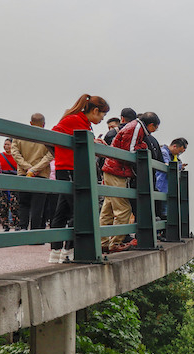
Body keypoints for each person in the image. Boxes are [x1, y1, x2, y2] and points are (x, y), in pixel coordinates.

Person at [49, 94, 110, 263]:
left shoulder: (83, 122)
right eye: (102, 115)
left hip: (72, 168)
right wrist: (61, 155)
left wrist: (93, 142)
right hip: (69, 168)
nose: (102, 118)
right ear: (96, 110)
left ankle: (56, 252)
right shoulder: (73, 119)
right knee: (79, 210)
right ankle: (68, 250)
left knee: (62, 211)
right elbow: (52, 136)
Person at [99, 111, 160, 253]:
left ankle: (103, 242)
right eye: (155, 128)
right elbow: (131, 151)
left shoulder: (134, 127)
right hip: (116, 171)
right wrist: (144, 147)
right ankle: (115, 243)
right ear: (151, 125)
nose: (154, 132)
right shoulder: (136, 127)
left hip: (111, 169)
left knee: (107, 209)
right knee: (123, 210)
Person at [11, 113, 53, 230]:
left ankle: (23, 229)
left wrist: (27, 167)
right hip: (41, 174)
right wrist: (36, 168)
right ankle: (35, 233)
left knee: (24, 204)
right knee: (38, 206)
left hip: (23, 173)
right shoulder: (48, 136)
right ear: (43, 124)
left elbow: (15, 153)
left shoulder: (19, 135)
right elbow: (50, 155)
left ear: (30, 123)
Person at [0, 138, 19, 230]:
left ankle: (17, 223)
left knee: (15, 204)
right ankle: (5, 225)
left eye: (8, 144)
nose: (6, 146)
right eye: (5, 144)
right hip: (2, 183)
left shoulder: (17, 156)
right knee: (2, 205)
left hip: (14, 183)